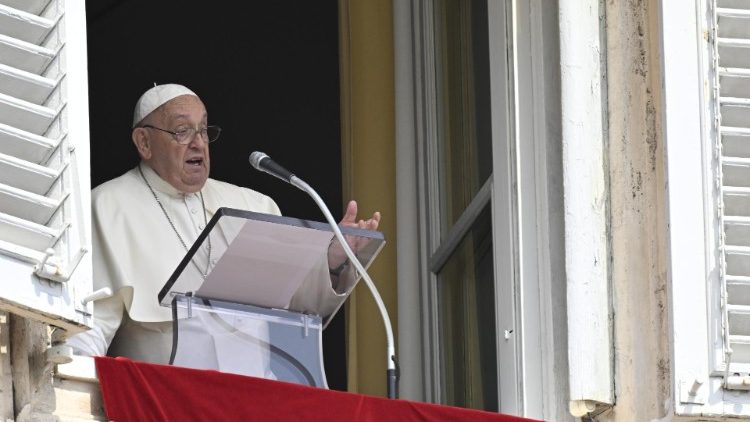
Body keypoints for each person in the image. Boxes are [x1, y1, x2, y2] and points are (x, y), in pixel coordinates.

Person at [67, 84, 380, 366]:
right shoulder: (108, 207)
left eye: (203, 130)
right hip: (164, 405)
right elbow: (91, 325)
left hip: (254, 398)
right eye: (182, 131)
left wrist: (331, 261)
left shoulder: (253, 206)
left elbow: (295, 310)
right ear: (144, 142)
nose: (198, 143)